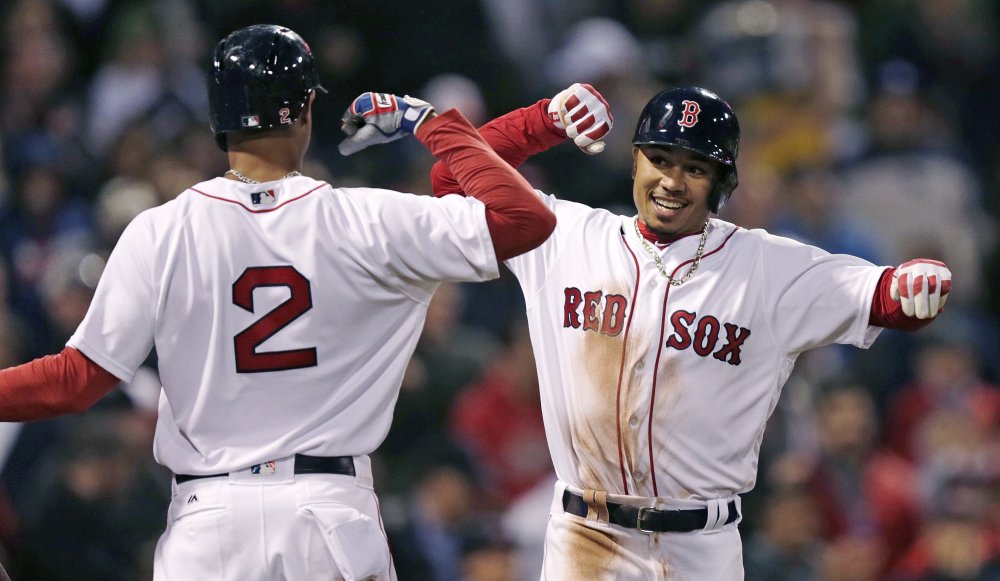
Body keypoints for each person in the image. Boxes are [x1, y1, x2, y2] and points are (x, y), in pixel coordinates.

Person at [0, 24, 556, 581]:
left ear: (218, 117)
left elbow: (72, 382)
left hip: (208, 527)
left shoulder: (160, 231)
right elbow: (524, 217)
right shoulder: (367, 219)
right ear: (307, 108)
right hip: (327, 516)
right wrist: (430, 122)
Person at [430, 82, 953, 580]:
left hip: (699, 547)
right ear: (633, 160)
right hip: (583, 537)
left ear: (723, 183)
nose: (671, 182)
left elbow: (886, 297)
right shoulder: (564, 236)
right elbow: (450, 181)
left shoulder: (767, 267)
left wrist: (918, 283)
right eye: (658, 159)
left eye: (694, 168)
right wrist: (542, 122)